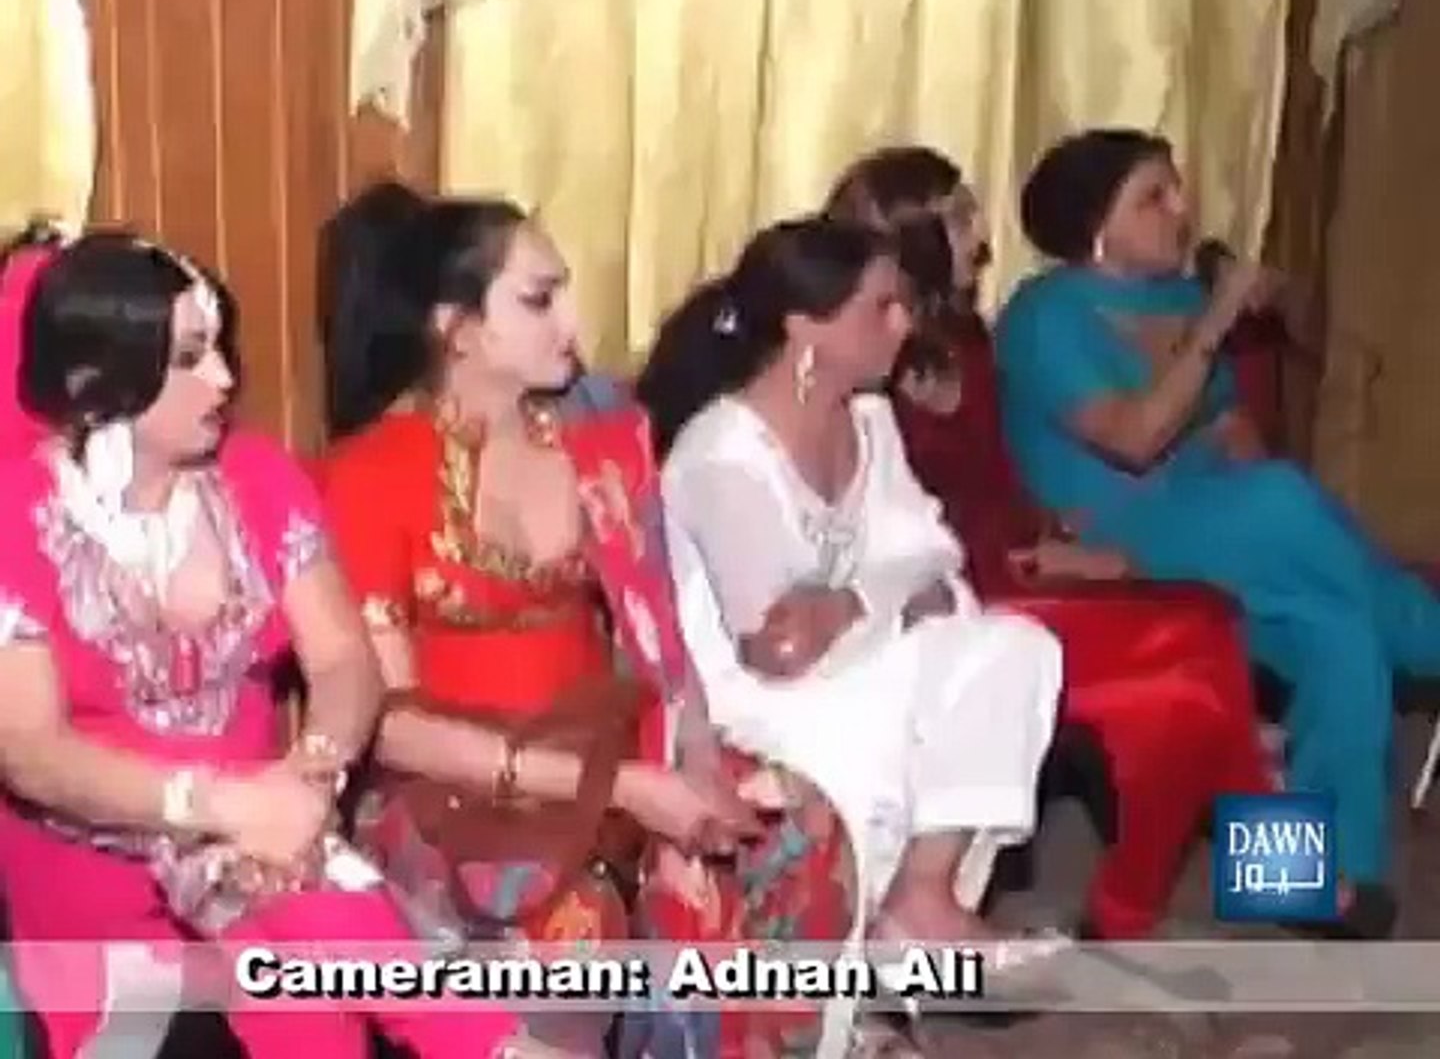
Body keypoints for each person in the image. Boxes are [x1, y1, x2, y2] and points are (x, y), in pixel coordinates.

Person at [315, 182, 853, 1059]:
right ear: (456, 329)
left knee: (799, 828)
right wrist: (620, 789)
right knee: (572, 917)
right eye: (538, 300)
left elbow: (657, 637)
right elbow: (390, 727)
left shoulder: (599, 440)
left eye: (566, 292)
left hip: (613, 744)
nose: (571, 321)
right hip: (458, 789)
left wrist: (692, 762)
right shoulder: (369, 472)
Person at [0, 227, 524, 1057]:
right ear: (93, 381)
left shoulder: (257, 478)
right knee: (301, 931)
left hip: (274, 839)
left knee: (302, 958)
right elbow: (31, 753)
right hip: (97, 879)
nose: (223, 378)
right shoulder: (16, 516)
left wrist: (310, 774)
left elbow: (344, 662)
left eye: (220, 348)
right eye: (188, 357)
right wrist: (215, 805)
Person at [996, 127, 1440, 937]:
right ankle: (1429, 637)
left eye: (1177, 189)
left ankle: (1299, 880)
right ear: (1096, 224)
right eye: (1153, 197)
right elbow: (1133, 437)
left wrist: (1291, 540)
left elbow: (1232, 431)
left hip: (1222, 527)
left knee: (1339, 631)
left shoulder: (1176, 299)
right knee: (1280, 500)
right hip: (1113, 539)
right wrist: (1217, 322)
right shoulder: (1044, 314)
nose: (1181, 209)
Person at [825, 144, 1274, 939]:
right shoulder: (865, 365)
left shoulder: (964, 339)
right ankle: (1201, 892)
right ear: (913, 238)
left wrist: (1057, 536)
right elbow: (884, 526)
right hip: (950, 597)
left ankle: (1242, 881)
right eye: (960, 220)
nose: (981, 240)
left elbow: (1000, 480)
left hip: (1021, 564)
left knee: (1209, 637)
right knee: (1187, 685)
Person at [638, 215, 1069, 966]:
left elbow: (936, 555)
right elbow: (777, 649)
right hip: (747, 693)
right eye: (882, 307)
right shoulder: (723, 455)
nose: (904, 324)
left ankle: (924, 900)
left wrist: (852, 603)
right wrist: (895, 594)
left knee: (1016, 650)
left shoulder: (871, 421)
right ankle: (848, 972)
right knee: (881, 726)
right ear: (807, 328)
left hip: (863, 650)